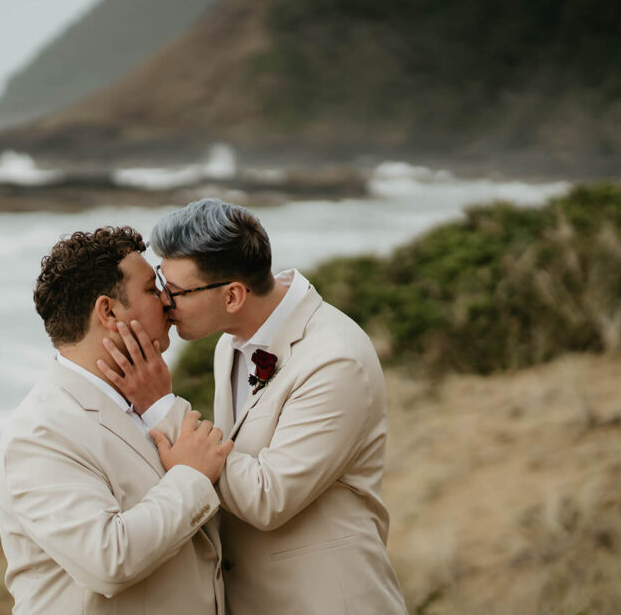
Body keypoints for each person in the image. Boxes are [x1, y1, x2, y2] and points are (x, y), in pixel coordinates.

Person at [100, 200, 407, 614]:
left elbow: (269, 498)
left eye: (175, 292)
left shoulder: (336, 360)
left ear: (232, 296)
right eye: (160, 282)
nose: (163, 302)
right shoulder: (229, 345)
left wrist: (161, 406)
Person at [0, 226, 234, 615]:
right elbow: (109, 561)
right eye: (151, 289)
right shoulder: (41, 432)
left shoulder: (145, 401)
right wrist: (190, 477)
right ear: (108, 311)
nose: (167, 300)